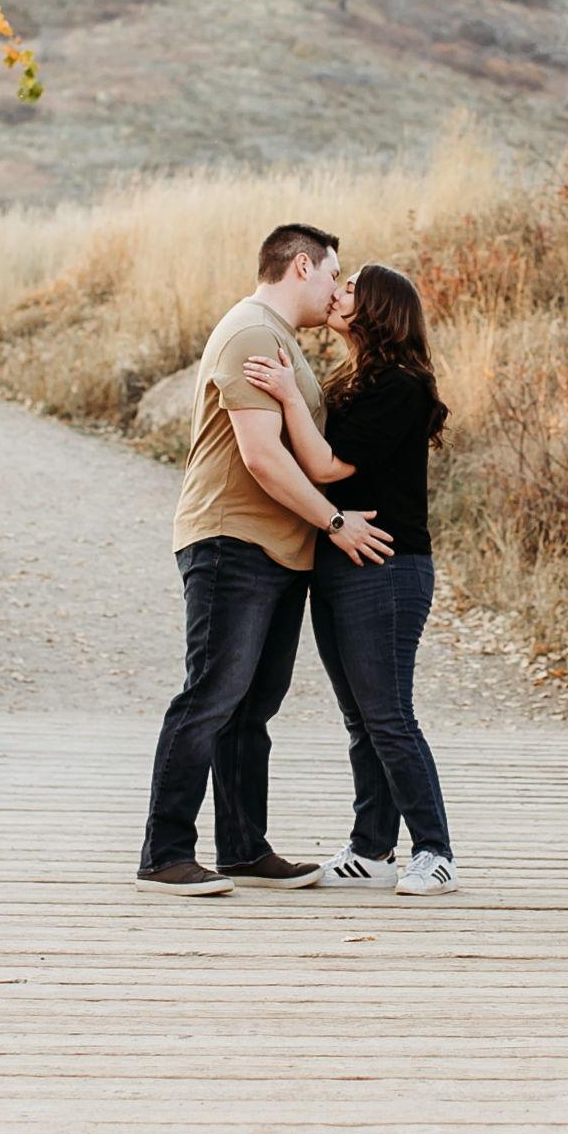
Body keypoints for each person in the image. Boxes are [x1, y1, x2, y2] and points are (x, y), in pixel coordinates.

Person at [136, 223, 396, 894]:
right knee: (211, 695)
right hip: (232, 541)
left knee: (252, 707)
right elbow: (259, 455)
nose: (339, 289)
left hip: (278, 549)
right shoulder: (252, 332)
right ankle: (164, 854)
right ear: (302, 266)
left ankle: (245, 849)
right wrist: (334, 522)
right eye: (333, 275)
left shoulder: (282, 343)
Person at [241, 260, 455, 895]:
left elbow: (328, 466)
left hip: (388, 566)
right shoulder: (355, 379)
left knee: (388, 715)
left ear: (381, 309)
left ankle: (434, 850)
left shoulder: (400, 385)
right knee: (361, 718)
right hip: (338, 561)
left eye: (353, 289)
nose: (339, 294)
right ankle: (372, 849)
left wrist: (283, 393)